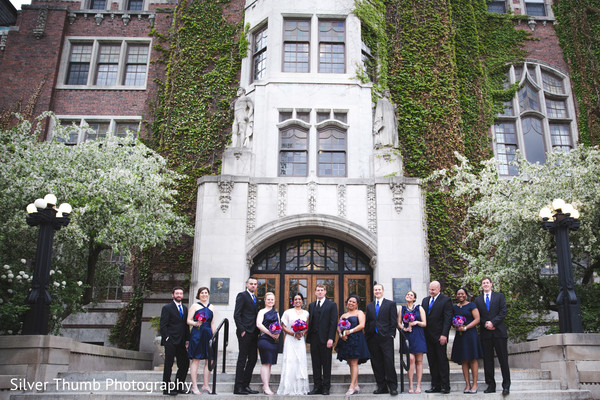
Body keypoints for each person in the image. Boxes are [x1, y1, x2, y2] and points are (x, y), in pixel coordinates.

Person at [474, 277, 511, 395]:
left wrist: (493, 322)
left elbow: (503, 311)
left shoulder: (499, 296)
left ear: (491, 284)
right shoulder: (478, 300)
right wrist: (486, 323)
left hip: (499, 332)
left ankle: (506, 385)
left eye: (487, 283)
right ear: (481, 285)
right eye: (483, 283)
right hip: (486, 334)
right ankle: (491, 384)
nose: (485, 285)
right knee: (488, 360)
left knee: (503, 359)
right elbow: (477, 315)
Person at [365, 283, 398, 395]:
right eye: (375, 290)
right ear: (373, 292)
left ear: (383, 291)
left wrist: (391, 334)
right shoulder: (370, 306)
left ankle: (392, 387)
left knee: (389, 362)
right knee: (376, 363)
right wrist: (367, 336)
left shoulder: (390, 304)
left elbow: (393, 320)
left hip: (386, 338)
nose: (377, 291)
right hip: (373, 338)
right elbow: (368, 321)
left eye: (379, 289)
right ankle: (381, 386)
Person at [336, 294, 371, 395]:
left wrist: (350, 331)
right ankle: (355, 384)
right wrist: (341, 334)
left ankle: (351, 386)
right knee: (351, 363)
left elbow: (362, 325)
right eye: (349, 301)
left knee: (354, 363)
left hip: (356, 339)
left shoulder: (359, 313)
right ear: (347, 303)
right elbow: (339, 327)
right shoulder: (343, 315)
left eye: (353, 302)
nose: (351, 303)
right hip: (346, 340)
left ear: (357, 304)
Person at [421, 281, 452, 394]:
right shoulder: (425, 300)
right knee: (432, 362)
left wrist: (444, 334)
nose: (431, 291)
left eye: (433, 290)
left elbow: (447, 319)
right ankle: (435, 385)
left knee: (442, 361)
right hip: (428, 336)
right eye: (430, 289)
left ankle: (445, 386)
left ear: (439, 289)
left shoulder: (446, 300)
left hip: (440, 336)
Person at [307, 283, 338, 396]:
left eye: (322, 290)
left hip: (326, 339)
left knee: (326, 364)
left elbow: (333, 323)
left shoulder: (332, 305)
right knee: (315, 364)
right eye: (318, 290)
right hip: (314, 338)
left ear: (325, 292)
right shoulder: (311, 305)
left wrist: (331, 338)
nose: (320, 292)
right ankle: (317, 387)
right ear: (315, 292)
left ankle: (326, 387)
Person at [450, 288, 483, 394]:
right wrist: (456, 325)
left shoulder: (471, 305)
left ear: (466, 295)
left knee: (473, 359)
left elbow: (477, 319)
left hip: (470, 334)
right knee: (464, 360)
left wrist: (466, 327)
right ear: (456, 295)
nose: (460, 295)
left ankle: (475, 384)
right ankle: (467, 384)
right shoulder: (454, 308)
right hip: (460, 335)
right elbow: (452, 320)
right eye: (458, 294)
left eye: (462, 293)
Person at [277, 293, 310, 395]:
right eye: (295, 299)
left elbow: (307, 326)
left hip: (300, 341)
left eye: (299, 299)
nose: (297, 301)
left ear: (302, 301)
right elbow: (283, 326)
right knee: (290, 361)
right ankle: (288, 388)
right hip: (290, 340)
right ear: (293, 301)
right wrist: (293, 334)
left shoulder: (306, 313)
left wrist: (302, 333)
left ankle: (300, 388)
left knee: (300, 362)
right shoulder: (288, 312)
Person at [160, 286, 190, 396]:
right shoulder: (167, 308)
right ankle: (166, 388)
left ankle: (178, 386)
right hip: (171, 341)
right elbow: (163, 325)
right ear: (173, 295)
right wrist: (167, 338)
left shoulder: (185, 309)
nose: (179, 295)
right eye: (177, 293)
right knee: (168, 364)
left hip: (182, 342)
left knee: (184, 364)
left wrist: (188, 339)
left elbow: (186, 326)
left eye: (181, 294)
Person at [186, 286, 215, 394]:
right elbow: (188, 320)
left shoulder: (211, 307)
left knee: (209, 359)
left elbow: (212, 322)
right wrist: (195, 323)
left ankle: (205, 385)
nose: (204, 294)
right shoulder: (194, 306)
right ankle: (194, 386)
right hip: (197, 333)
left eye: (206, 293)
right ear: (199, 295)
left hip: (208, 334)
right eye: (202, 293)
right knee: (196, 359)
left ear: (208, 294)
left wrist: (214, 334)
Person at [233, 276, 259, 395]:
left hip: (254, 332)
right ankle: (238, 387)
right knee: (242, 359)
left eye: (255, 284)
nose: (253, 285)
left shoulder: (256, 298)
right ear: (246, 284)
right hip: (245, 332)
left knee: (253, 359)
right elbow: (237, 314)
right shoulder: (242, 295)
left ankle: (246, 385)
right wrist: (242, 329)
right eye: (251, 283)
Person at [398, 290, 427, 394]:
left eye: (411, 295)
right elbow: (399, 323)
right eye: (407, 295)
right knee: (410, 360)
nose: (409, 296)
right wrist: (404, 329)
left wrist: (417, 322)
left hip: (418, 334)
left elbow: (424, 323)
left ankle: (418, 385)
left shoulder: (419, 308)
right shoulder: (402, 308)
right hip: (408, 335)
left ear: (414, 298)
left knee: (419, 361)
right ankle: (410, 384)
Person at [256, 292, 281, 395]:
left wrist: (277, 334)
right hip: (265, 339)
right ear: (265, 300)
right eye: (268, 299)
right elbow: (258, 324)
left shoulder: (276, 313)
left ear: (274, 301)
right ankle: (265, 386)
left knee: (269, 363)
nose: (270, 301)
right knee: (266, 363)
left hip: (273, 341)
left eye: (272, 300)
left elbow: (278, 325)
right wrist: (270, 333)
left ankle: (266, 384)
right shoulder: (262, 311)